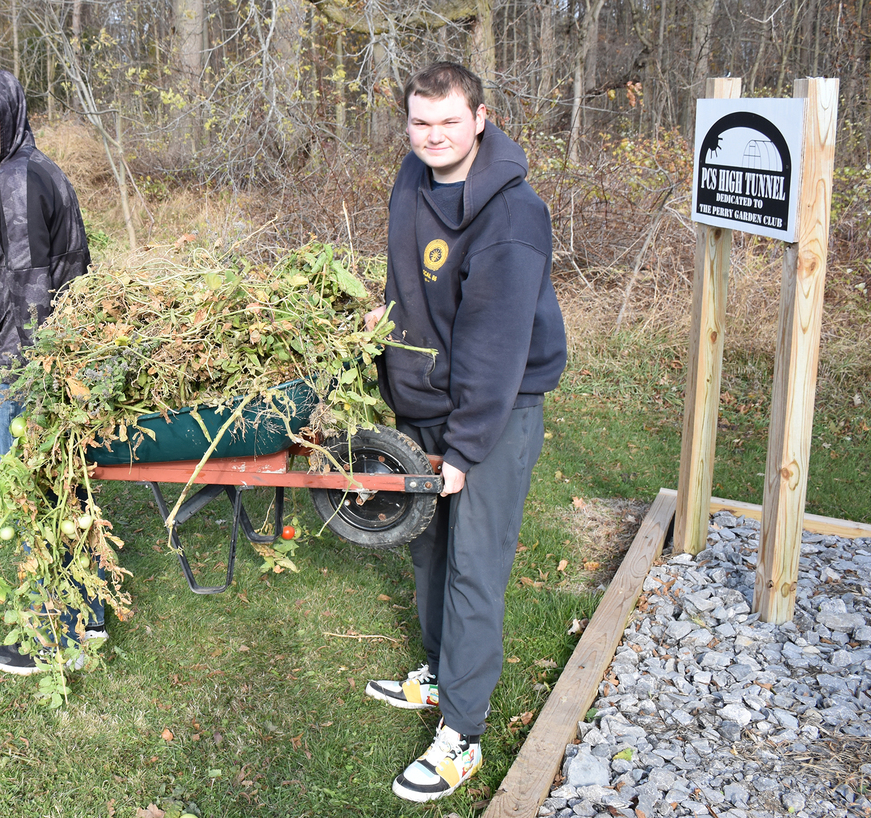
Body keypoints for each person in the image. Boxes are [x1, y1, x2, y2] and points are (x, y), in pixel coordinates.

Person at [363, 62, 567, 802]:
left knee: (474, 568)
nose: (433, 135)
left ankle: (464, 734)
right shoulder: (412, 179)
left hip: (494, 410)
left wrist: (466, 448)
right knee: (430, 549)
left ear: (480, 118)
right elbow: (407, 284)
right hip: (426, 399)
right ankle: (439, 669)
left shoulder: (513, 218)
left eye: (448, 121)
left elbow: (495, 344)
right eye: (420, 122)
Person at [0, 69, 105, 675]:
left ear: (11, 112)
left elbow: (28, 280)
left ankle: (49, 635)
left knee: (35, 494)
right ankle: (86, 615)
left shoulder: (16, 178)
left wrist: (25, 371)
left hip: (30, 361)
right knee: (67, 486)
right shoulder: (40, 167)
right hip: (61, 351)